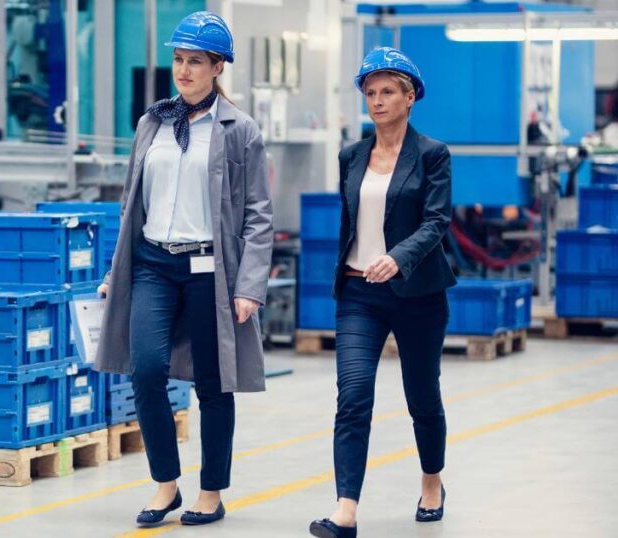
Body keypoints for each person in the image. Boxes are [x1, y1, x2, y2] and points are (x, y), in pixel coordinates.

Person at [94, 10, 273, 528]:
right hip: (153, 262)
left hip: (209, 270)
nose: (184, 70)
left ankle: (211, 491)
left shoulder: (240, 130)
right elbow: (133, 202)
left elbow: (259, 212)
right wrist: (116, 270)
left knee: (213, 383)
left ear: (218, 66)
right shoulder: (152, 122)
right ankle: (165, 483)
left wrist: (250, 286)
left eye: (195, 61)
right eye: (178, 59)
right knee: (145, 369)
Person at [309, 47, 457, 538]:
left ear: (409, 96)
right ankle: (345, 510)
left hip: (417, 293)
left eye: (387, 91)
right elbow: (353, 222)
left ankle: (431, 482)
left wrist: (399, 257)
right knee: (352, 397)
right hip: (358, 293)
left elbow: (437, 220)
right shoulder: (351, 155)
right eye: (370, 93)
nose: (377, 101)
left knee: (422, 397)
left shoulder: (433, 154)